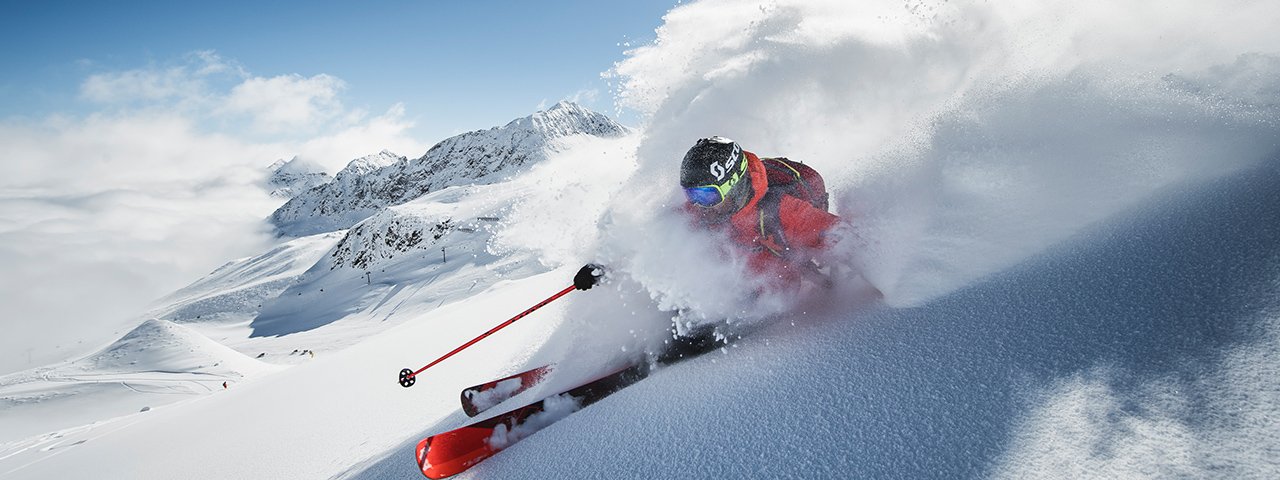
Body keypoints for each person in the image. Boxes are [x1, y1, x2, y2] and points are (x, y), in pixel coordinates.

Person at [575, 136, 852, 360]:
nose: (697, 203)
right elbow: (656, 246)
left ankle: (673, 355)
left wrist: (884, 272)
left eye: (706, 194)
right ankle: (660, 340)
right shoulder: (705, 210)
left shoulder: (781, 211)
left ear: (731, 185)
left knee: (696, 329)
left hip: (771, 286)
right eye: (692, 194)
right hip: (728, 272)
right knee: (669, 298)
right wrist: (605, 268)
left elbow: (845, 237)